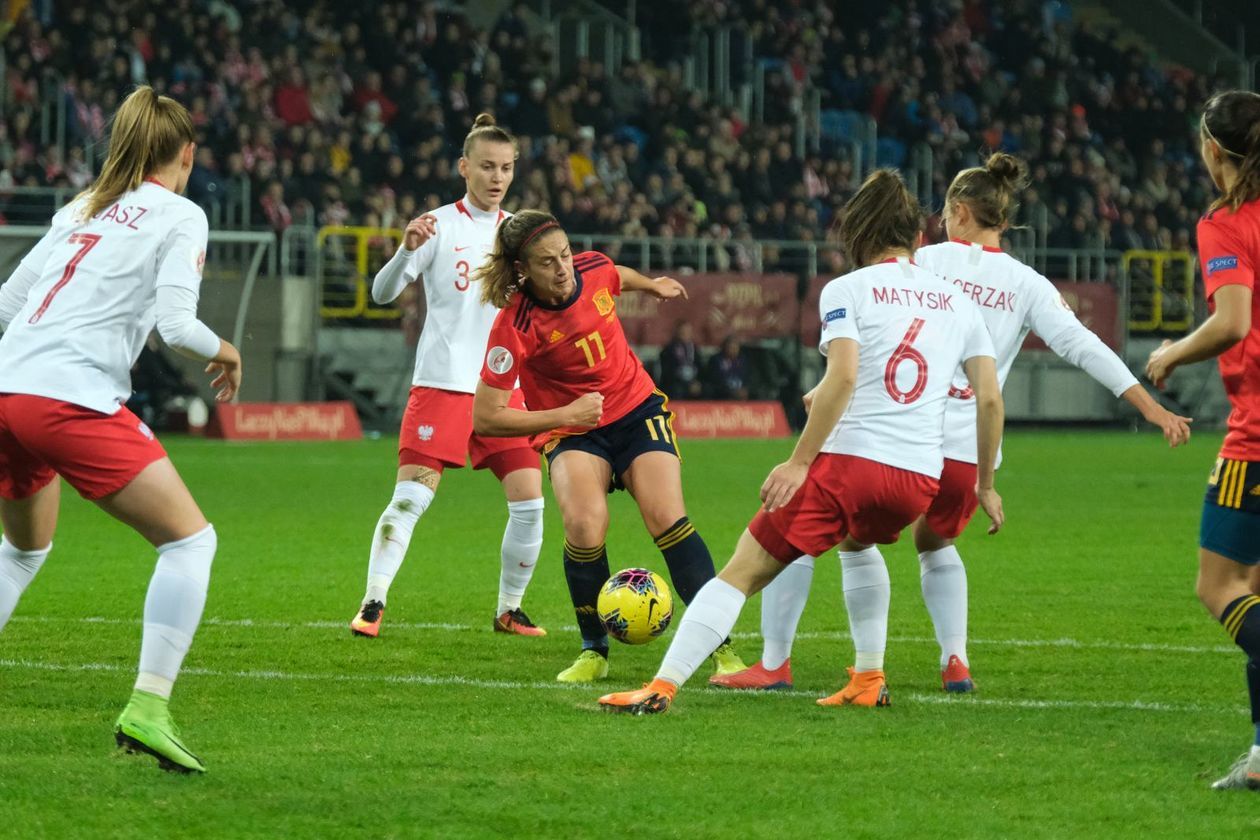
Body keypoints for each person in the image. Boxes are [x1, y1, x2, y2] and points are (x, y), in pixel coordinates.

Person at [715, 153, 1192, 697]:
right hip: (965, 456)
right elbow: (1083, 346)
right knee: (936, 546)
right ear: (1003, 222)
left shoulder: (923, 263)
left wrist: (827, 393)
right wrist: (1150, 407)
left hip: (897, 439)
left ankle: (782, 662)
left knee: (810, 533)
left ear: (959, 211)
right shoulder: (1027, 282)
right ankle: (955, 661)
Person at [597, 169, 1003, 714]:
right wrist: (986, 484)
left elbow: (843, 378)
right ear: (918, 239)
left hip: (853, 465)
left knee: (739, 573)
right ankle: (867, 676)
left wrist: (798, 461)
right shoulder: (956, 301)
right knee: (858, 543)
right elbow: (990, 399)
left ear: (858, 234)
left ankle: (660, 686)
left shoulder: (848, 289)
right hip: (919, 479)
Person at [0, 86, 242, 773]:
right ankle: (149, 706)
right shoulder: (181, 214)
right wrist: (226, 348)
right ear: (187, 153)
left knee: (20, 552)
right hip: (66, 398)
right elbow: (175, 326)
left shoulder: (82, 205)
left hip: (8, 387)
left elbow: (8, 304)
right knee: (191, 542)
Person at [471, 209, 747, 682]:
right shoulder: (513, 326)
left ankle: (722, 648)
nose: (562, 269)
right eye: (547, 262)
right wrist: (564, 416)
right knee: (584, 523)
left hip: (637, 410)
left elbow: (617, 274)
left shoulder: (592, 268)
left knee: (667, 517)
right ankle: (594, 651)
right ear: (522, 269)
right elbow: (486, 416)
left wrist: (652, 284)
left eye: (564, 254)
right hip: (574, 429)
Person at [348, 114, 548, 639]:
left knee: (530, 504)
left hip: (505, 392)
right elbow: (382, 293)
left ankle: (509, 608)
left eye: (505, 167)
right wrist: (407, 249)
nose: (497, 176)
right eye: (486, 166)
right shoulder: (437, 225)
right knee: (411, 499)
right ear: (464, 168)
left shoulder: (521, 237)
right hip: (443, 384)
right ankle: (372, 602)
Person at [1146, 89, 1260, 791]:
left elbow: (1233, 322)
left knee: (1219, 586)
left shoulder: (1226, 223)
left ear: (1214, 151)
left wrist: (1171, 354)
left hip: (1256, 437)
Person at [658, 320, 702, 398]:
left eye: (687, 331)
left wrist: (697, 382)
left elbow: (700, 368)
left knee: (705, 389)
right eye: (682, 331)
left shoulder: (695, 349)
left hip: (693, 381)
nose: (685, 333)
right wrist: (686, 383)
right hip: (676, 382)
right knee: (677, 390)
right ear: (677, 332)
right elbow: (667, 372)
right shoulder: (668, 349)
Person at [703, 335, 749, 400]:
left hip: (741, 390)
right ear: (725, 347)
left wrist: (745, 388)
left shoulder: (743, 360)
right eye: (731, 347)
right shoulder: (716, 360)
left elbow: (748, 377)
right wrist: (730, 391)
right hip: (723, 391)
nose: (734, 350)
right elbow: (714, 380)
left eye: (736, 348)